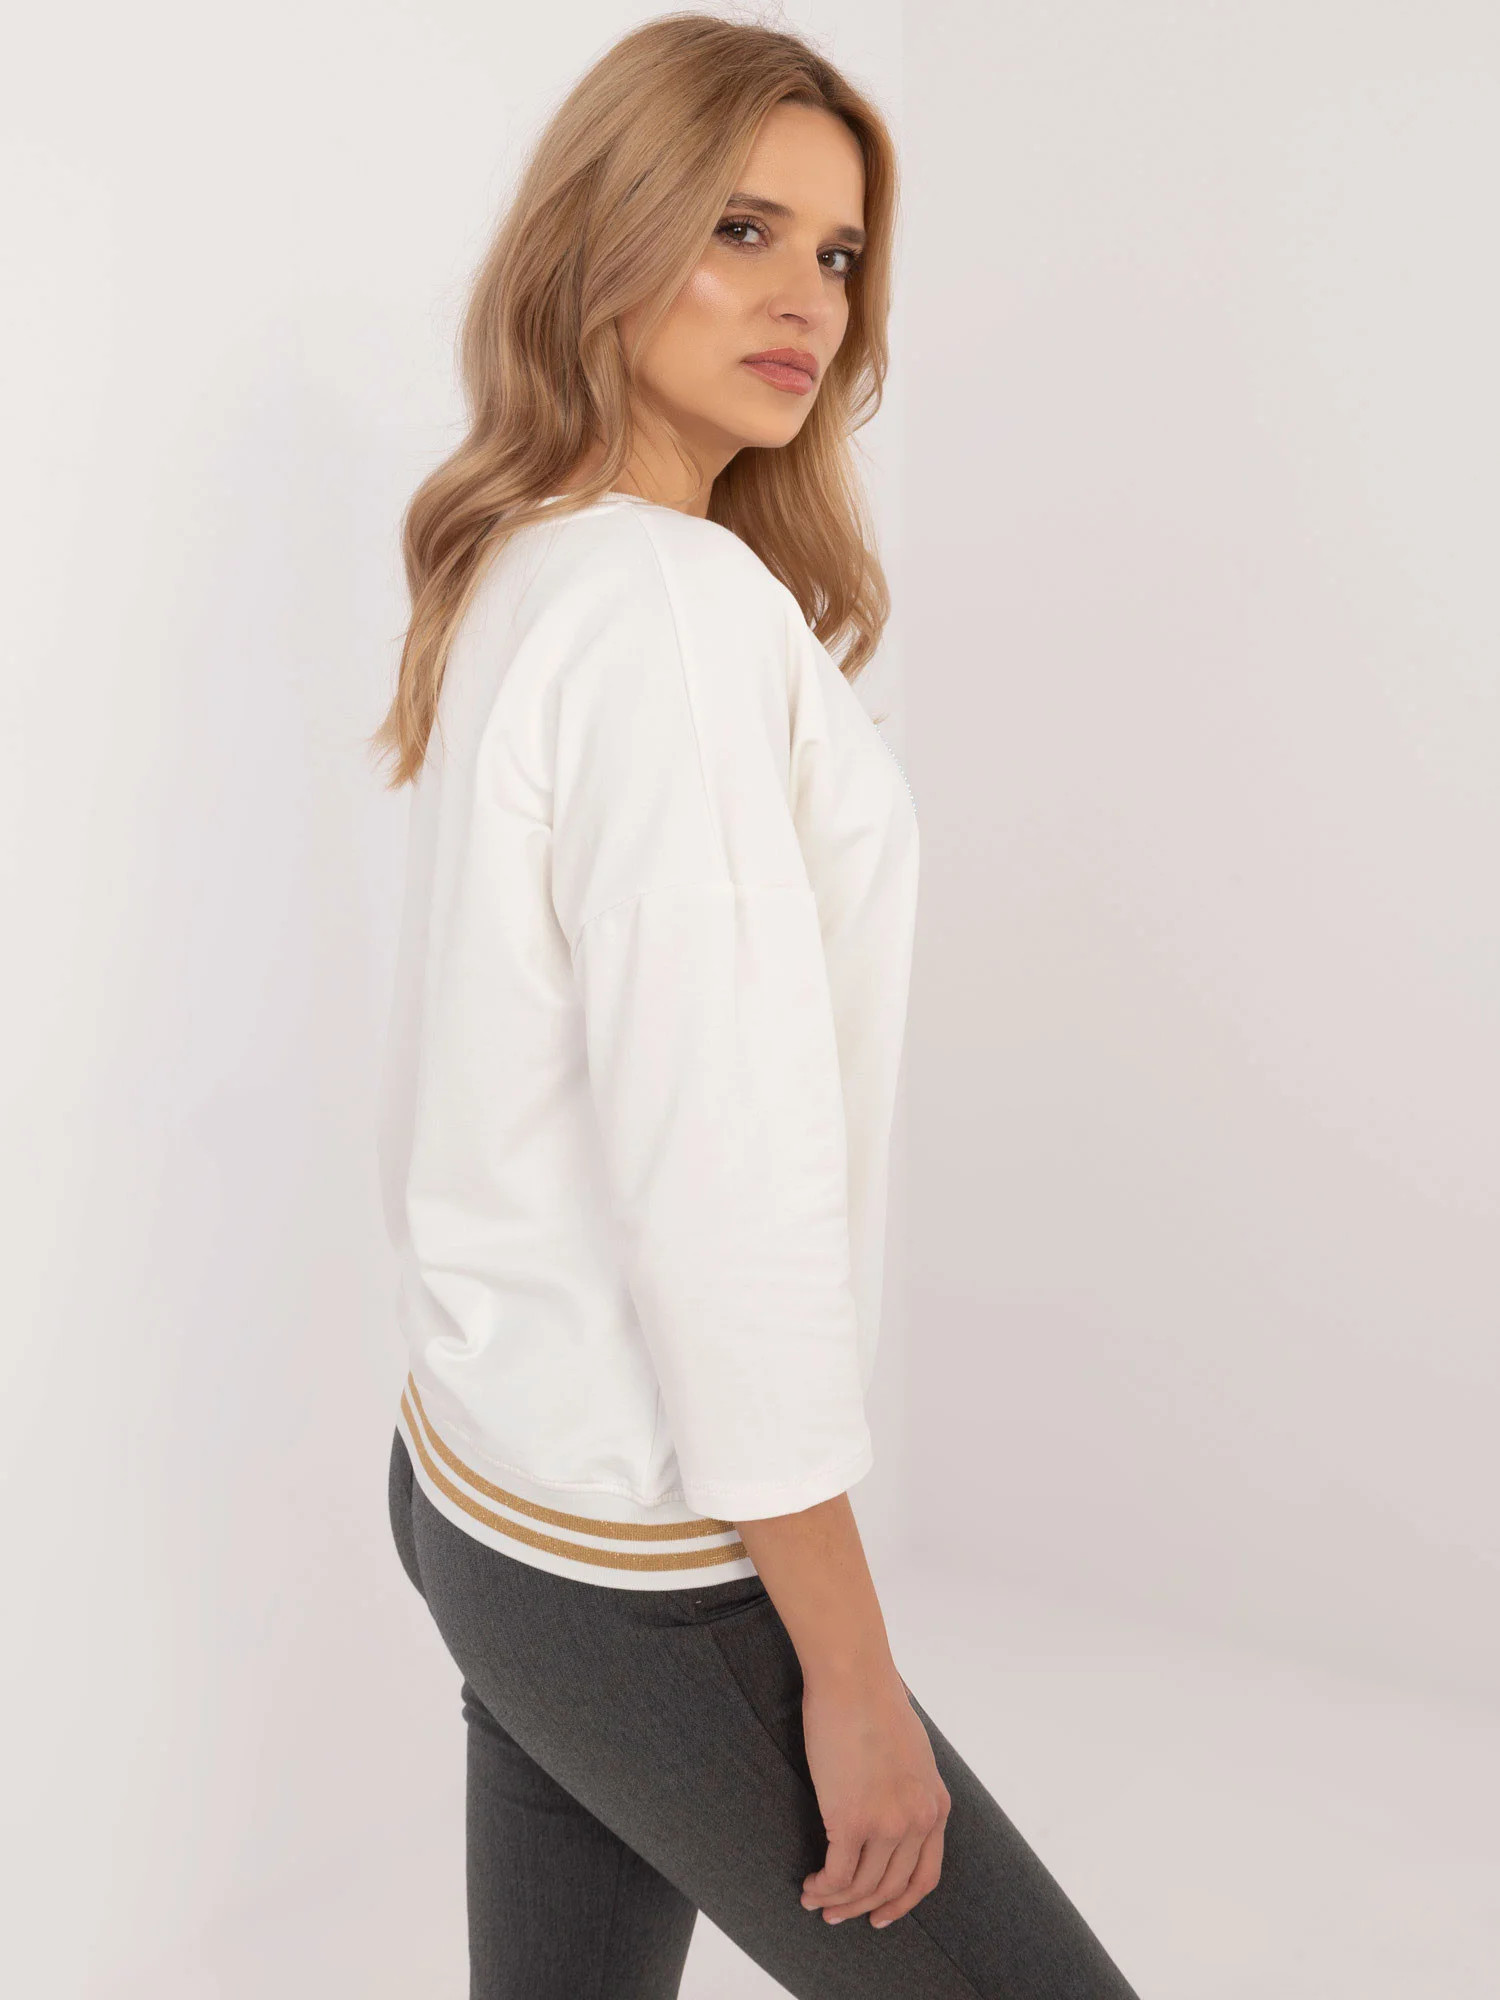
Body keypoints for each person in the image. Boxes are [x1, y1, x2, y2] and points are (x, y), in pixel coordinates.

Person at [369, 14, 1142, 1997]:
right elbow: (720, 1178)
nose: (810, 298)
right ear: (604, 236)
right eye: (742, 229)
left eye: (840, 252)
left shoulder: (536, 564)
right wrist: (850, 1672)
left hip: (485, 1491)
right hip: (643, 1568)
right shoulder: (666, 615)